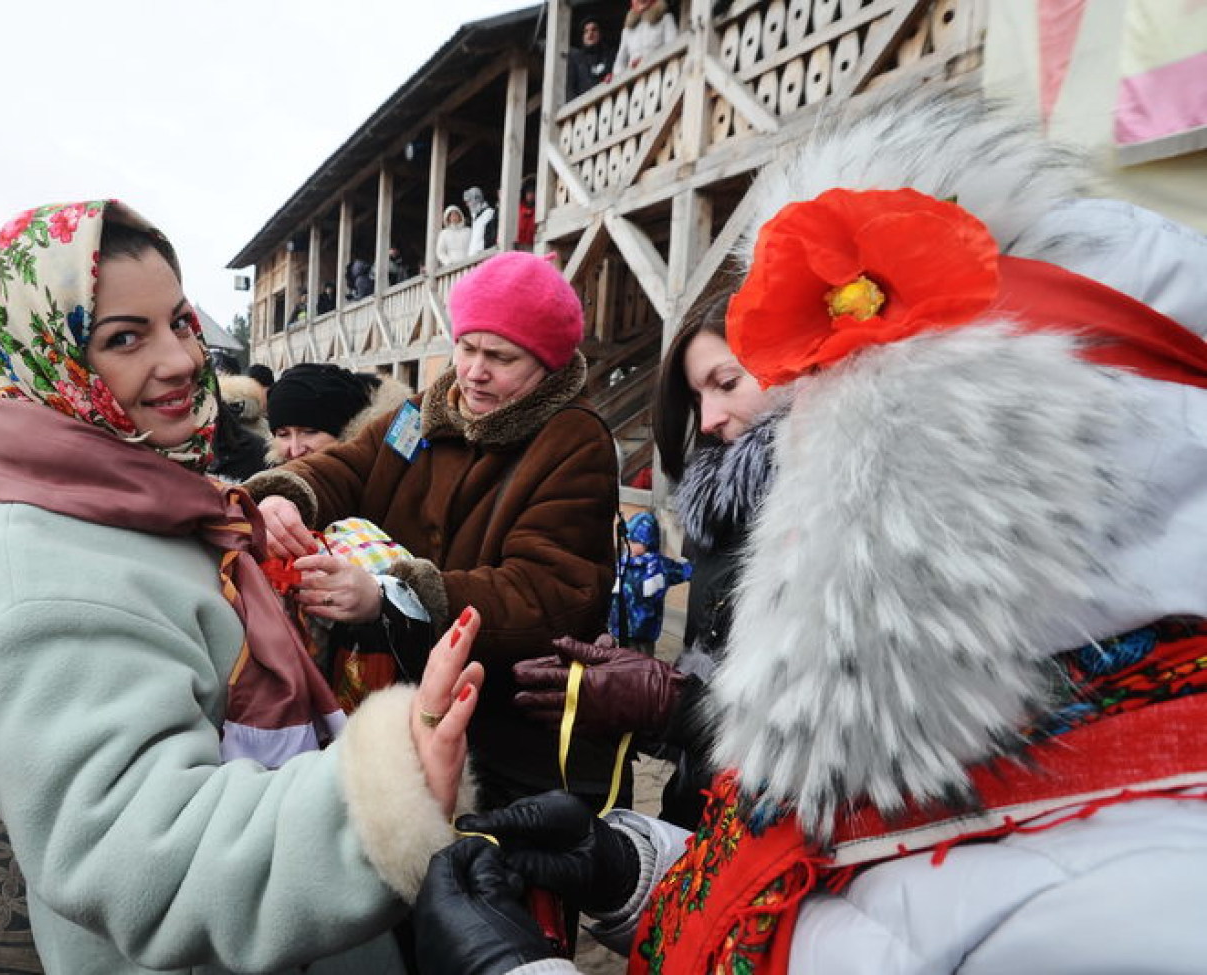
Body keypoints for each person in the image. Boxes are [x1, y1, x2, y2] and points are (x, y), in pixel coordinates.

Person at [413, 85, 1207, 974]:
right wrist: (630, 869)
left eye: (835, 471)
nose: (799, 511)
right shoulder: (988, 712)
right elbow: (836, 894)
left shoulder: (1141, 903)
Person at [0, 199, 485, 975]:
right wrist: (387, 791)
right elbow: (149, 856)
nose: (183, 358)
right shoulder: (41, 592)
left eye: (179, 322)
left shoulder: (111, 494)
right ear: (47, 356)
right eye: (125, 336)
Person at [245, 250, 625, 812]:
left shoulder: (575, 442)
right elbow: (350, 466)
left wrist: (393, 597)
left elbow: (549, 594)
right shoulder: (425, 412)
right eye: (467, 347)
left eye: (501, 357)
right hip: (401, 707)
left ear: (547, 362)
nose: (474, 370)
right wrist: (284, 494)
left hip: (504, 740)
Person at [514, 289, 782, 829]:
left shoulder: (844, 513)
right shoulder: (724, 509)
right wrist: (636, 694)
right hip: (703, 818)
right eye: (697, 395)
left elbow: (830, 743)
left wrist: (666, 704)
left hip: (776, 851)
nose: (707, 419)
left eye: (727, 383)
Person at [266, 361, 410, 464]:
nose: (295, 451)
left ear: (347, 429)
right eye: (283, 434)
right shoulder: (275, 481)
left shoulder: (385, 474)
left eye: (310, 431)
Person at [607, 511, 691, 655]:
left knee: (644, 662)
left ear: (648, 542)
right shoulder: (622, 563)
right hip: (621, 627)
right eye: (628, 541)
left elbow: (683, 571)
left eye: (635, 542)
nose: (629, 545)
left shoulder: (659, 565)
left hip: (645, 630)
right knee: (621, 661)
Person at [613, 0, 678, 77]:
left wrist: (645, 62)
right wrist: (618, 76)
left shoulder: (666, 18)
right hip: (634, 80)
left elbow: (672, 47)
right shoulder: (627, 30)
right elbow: (619, 62)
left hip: (660, 74)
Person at [567, 15, 613, 100]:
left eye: (594, 30)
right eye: (586, 31)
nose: (590, 34)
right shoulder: (576, 60)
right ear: (582, 37)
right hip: (585, 108)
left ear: (600, 33)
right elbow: (570, 89)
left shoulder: (610, 56)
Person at [463, 186, 498, 256]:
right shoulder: (475, 217)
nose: (467, 205)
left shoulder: (489, 213)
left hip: (483, 256)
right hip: (473, 258)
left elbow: (490, 236)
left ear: (476, 199)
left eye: (469, 201)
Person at [515, 177, 537, 249]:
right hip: (517, 248)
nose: (530, 195)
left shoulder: (539, 210)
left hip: (533, 248)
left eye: (533, 191)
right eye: (528, 192)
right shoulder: (517, 209)